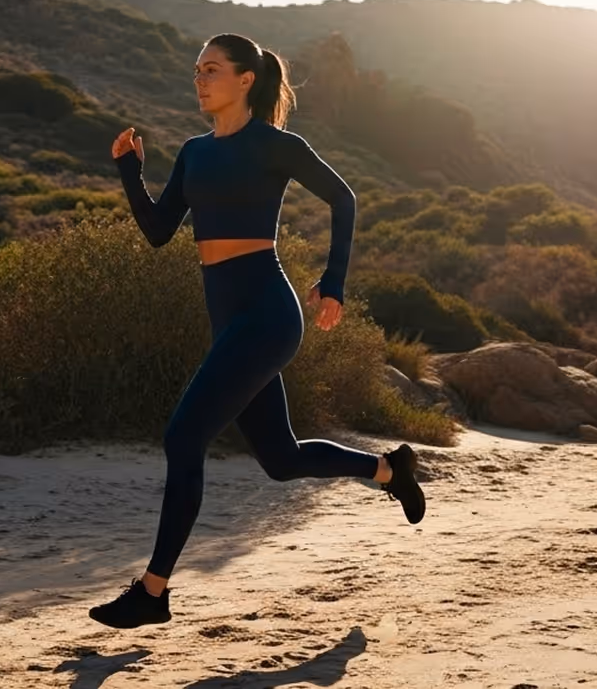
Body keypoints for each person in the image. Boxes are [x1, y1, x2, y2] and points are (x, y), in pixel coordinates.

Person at [88, 33, 426, 630]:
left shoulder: (275, 145)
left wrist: (334, 281)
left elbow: (343, 199)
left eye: (212, 69)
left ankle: (153, 591)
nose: (200, 79)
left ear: (245, 79)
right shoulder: (194, 152)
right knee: (281, 458)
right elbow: (160, 230)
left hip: (268, 314)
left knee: (183, 437)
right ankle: (388, 470)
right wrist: (129, 172)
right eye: (197, 70)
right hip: (229, 318)